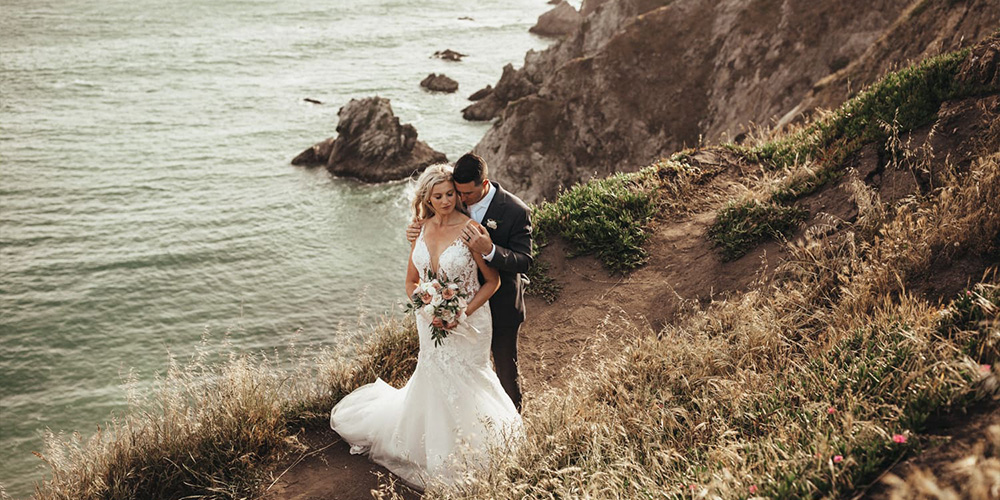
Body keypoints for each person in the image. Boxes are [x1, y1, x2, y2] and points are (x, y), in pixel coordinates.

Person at [330, 164, 522, 490]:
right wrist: (423, 304)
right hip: (429, 321)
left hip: (469, 321)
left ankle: (489, 446)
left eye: (450, 194)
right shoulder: (419, 230)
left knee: (469, 378)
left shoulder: (471, 230)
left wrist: (460, 312)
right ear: (428, 199)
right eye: (439, 196)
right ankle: (433, 450)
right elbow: (411, 280)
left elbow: (492, 281)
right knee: (433, 377)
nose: (446, 201)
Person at [407, 153, 533, 412]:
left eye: (463, 195)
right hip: (443, 312)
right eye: (455, 193)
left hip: (499, 303)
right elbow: (415, 272)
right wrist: (429, 307)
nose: (459, 200)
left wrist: (490, 250)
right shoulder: (438, 213)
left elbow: (525, 261)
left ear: (483, 184)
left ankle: (513, 428)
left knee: (503, 372)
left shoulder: (515, 211)